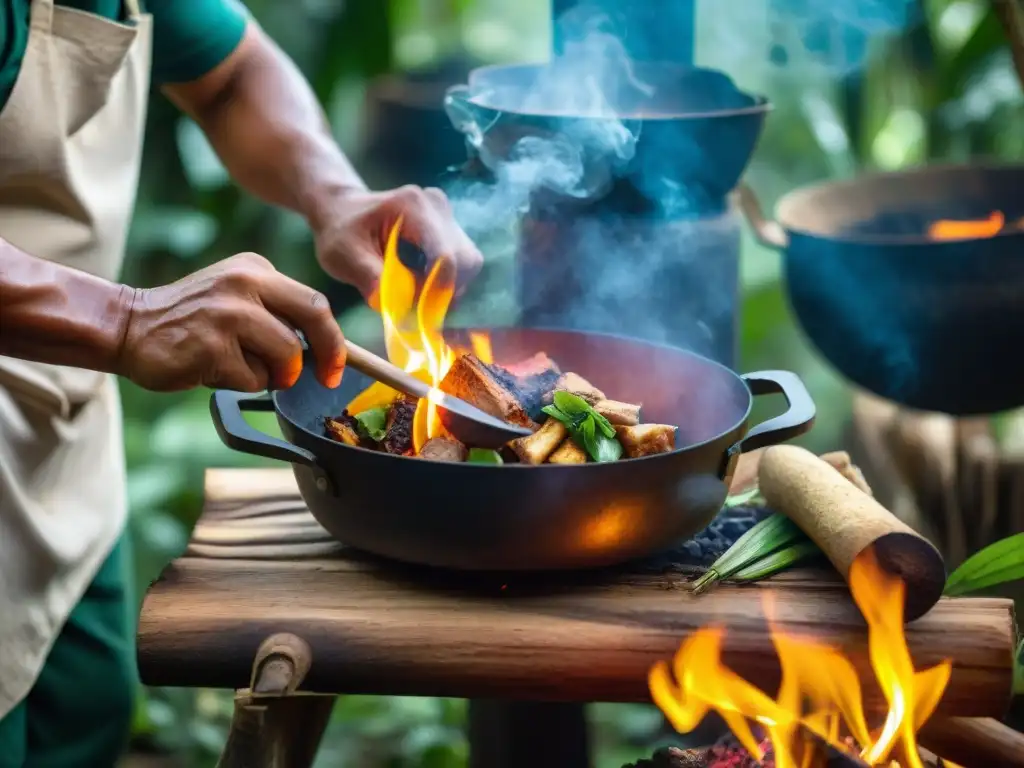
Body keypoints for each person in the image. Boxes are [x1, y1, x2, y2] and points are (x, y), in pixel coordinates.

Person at [0, 0, 483, 764]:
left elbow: (232, 74)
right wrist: (126, 320)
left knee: (86, 718)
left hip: (63, 426)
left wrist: (335, 194)